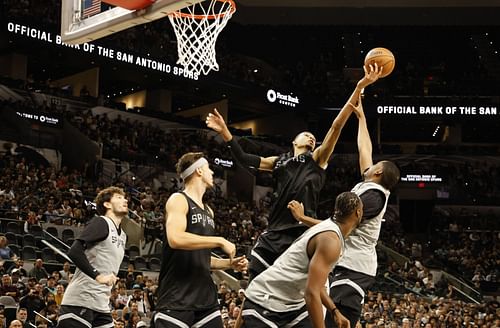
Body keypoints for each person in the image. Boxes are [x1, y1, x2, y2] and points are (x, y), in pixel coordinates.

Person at [205, 66, 382, 282]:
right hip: (274, 231)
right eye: (306, 135)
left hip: (301, 233)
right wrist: (225, 132)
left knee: (298, 291)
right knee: (255, 283)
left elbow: (336, 127)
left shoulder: (317, 159)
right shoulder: (278, 161)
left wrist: (358, 87)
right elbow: (245, 159)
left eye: (313, 137)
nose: (311, 138)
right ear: (294, 141)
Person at [323, 64, 400, 328]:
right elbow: (364, 148)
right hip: (347, 262)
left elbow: (341, 227)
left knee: (338, 322)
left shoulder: (374, 196)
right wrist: (362, 117)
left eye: (376, 164)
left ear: (378, 171)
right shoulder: (371, 185)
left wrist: (307, 224)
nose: (371, 163)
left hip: (355, 265)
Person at [153, 152, 248, 328]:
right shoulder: (178, 200)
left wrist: (229, 264)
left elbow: (202, 257)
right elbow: (175, 238)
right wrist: (219, 240)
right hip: (177, 297)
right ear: (198, 171)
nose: (212, 172)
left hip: (206, 298)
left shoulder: (209, 211)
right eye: (208, 168)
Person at [241, 192, 363, 328]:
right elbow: (311, 293)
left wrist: (334, 311)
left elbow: (317, 285)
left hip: (292, 306)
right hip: (266, 300)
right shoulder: (331, 241)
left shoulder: (329, 230)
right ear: (358, 213)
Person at [57, 186, 128, 328]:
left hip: (101, 305)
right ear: (107, 204)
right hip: (80, 301)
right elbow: (74, 251)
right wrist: (98, 276)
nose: (125, 200)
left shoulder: (123, 236)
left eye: (124, 197)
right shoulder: (102, 222)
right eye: (119, 197)